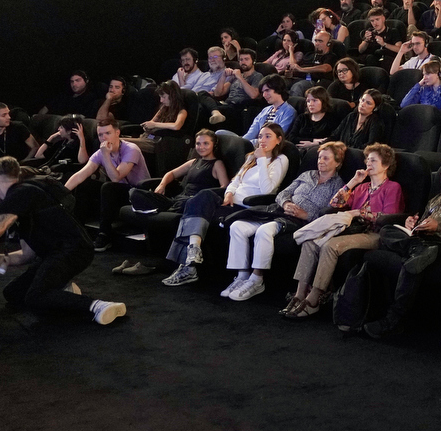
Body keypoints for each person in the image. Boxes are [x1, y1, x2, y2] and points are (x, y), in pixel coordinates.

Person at [0, 157, 127, 325]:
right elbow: (26, 255)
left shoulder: (21, 193)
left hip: (73, 251)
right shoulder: (22, 202)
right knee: (14, 293)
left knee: (35, 296)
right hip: (55, 254)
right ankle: (61, 291)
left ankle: (98, 306)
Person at [358, 151, 441, 339]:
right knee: (387, 230)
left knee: (415, 263)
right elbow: (423, 221)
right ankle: (416, 249)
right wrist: (412, 222)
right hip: (422, 241)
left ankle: (394, 320)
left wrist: (439, 225)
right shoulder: (437, 197)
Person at [162, 122, 291, 286]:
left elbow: (268, 189)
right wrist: (229, 192)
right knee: (201, 198)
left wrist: (262, 160)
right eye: (260, 136)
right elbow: (236, 180)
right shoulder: (251, 158)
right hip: (231, 201)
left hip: (248, 206)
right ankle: (193, 249)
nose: (262, 140)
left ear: (278, 140)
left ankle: (188, 268)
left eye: (268, 136)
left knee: (194, 214)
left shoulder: (280, 160)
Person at [284, 143, 403, 317]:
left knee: (330, 246)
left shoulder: (392, 187)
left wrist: (360, 212)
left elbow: (388, 217)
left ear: (386, 165)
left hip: (374, 233)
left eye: (373, 161)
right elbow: (335, 203)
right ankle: (299, 294)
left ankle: (314, 298)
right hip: (350, 228)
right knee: (310, 242)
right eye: (367, 160)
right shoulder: (362, 187)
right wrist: (354, 181)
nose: (368, 163)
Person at [224, 141, 347, 302]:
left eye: (326, 158)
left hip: (300, 222)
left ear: (337, 163)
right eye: (319, 157)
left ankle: (256, 280)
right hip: (279, 211)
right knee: (237, 226)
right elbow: (283, 193)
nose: (320, 161)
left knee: (264, 231)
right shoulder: (307, 175)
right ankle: (242, 276)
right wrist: (286, 203)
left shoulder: (338, 186)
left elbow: (330, 214)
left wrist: (306, 215)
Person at [116, 128, 230, 276]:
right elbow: (171, 173)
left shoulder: (217, 164)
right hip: (175, 201)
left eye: (206, 143)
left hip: (192, 204)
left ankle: (153, 263)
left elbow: (224, 186)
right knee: (134, 193)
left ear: (214, 145)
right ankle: (155, 210)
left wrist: (203, 198)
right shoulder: (193, 162)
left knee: (176, 205)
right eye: (198, 144)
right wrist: (162, 185)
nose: (201, 147)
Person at [63, 119, 152, 251]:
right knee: (84, 184)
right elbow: (80, 175)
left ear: (117, 133)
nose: (104, 138)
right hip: (118, 191)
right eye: (100, 135)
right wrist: (61, 194)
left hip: (138, 192)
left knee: (108, 187)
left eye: (107, 133)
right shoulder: (101, 152)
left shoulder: (131, 149)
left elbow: (116, 177)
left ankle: (104, 234)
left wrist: (105, 155)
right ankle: (78, 231)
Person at [243, 76, 296, 140]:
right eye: (263, 92)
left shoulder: (289, 111)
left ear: (278, 89)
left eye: (267, 90)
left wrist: (252, 143)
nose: (264, 95)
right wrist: (242, 142)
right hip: (256, 143)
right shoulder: (265, 110)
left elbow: (276, 137)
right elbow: (251, 133)